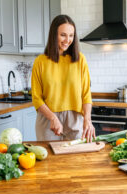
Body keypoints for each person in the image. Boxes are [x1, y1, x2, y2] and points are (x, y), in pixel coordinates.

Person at [31, 15, 95, 143]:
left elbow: (86, 94)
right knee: (48, 162)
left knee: (76, 160)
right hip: (48, 120)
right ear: (54, 35)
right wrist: (53, 118)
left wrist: (87, 119)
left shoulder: (80, 60)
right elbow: (36, 98)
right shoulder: (40, 62)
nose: (67, 40)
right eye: (63, 35)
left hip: (75, 120)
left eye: (71, 35)